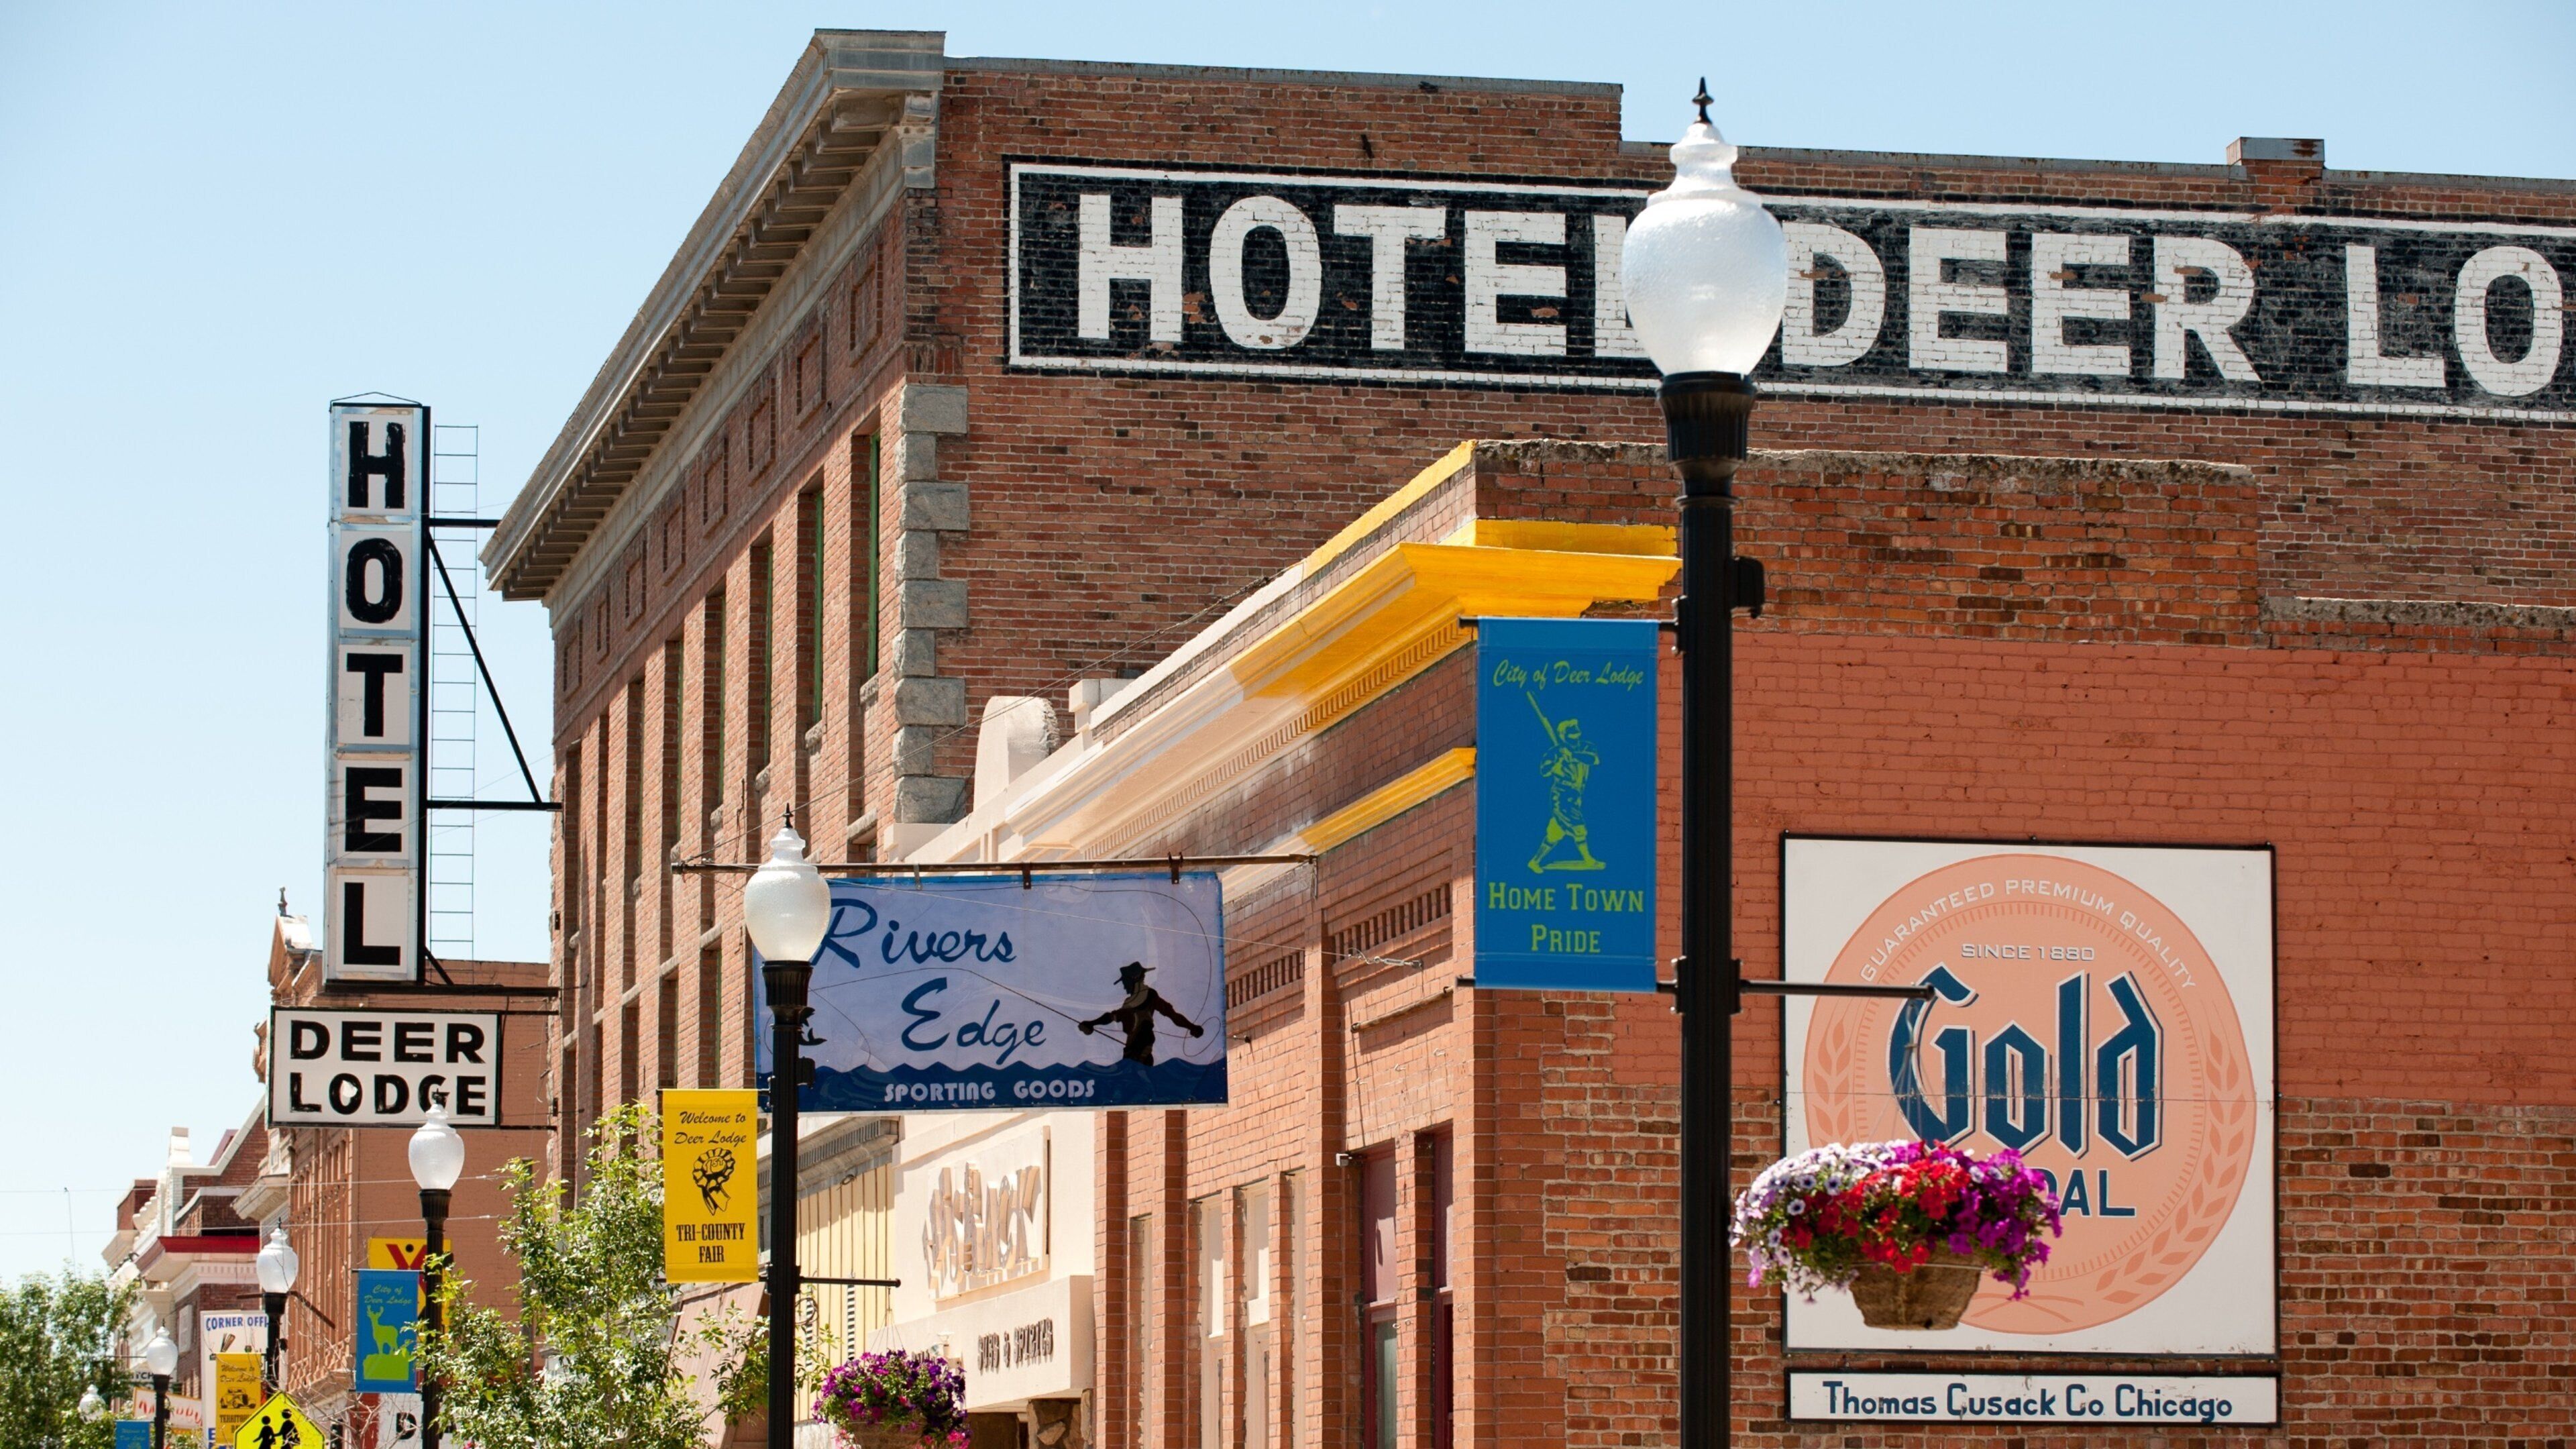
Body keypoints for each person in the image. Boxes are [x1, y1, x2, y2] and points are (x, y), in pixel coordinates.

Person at [1525, 694, 1605, 872]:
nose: (1575, 735)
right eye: (1571, 732)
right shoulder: (1555, 752)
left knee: (1555, 832)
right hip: (1562, 795)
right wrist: (1558, 762)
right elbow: (1544, 771)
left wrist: (1573, 755)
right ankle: (1589, 860)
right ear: (1563, 735)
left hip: (1576, 794)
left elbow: (1594, 759)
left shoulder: (1586, 747)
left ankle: (1535, 861)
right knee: (1579, 828)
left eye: (1576, 731)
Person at [1077, 961, 1204, 1067]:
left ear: (1133, 979)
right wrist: (1092, 1023)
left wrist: (1192, 1027)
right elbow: (1112, 1017)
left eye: (1125, 981)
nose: (1124, 985)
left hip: (1142, 1045)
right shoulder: (1129, 1002)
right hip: (1132, 1047)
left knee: (1137, 1074)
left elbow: (1172, 1015)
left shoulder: (1149, 995)